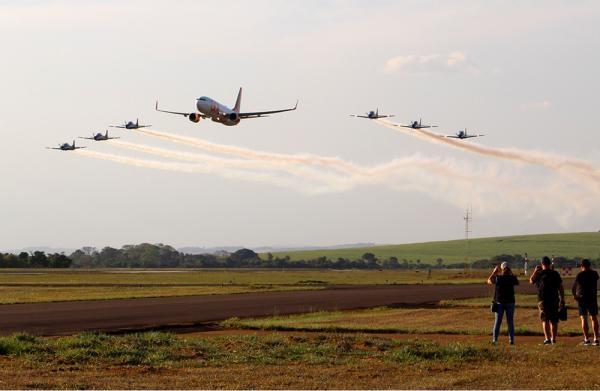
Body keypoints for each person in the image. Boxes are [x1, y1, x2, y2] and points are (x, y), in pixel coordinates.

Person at [530, 256, 565, 344]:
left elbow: (531, 280)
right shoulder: (555, 273)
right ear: (549, 264)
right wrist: (562, 298)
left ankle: (547, 339)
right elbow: (560, 287)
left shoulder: (539, 273)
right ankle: (553, 339)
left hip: (542, 299)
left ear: (542, 264)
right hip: (554, 299)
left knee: (545, 319)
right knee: (554, 320)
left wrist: (535, 271)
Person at [487, 261, 519, 344]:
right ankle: (511, 340)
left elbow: (489, 281)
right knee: (510, 322)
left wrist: (494, 272)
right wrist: (511, 273)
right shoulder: (512, 278)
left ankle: (495, 340)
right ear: (509, 269)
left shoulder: (498, 278)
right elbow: (517, 282)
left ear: (502, 269)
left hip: (499, 302)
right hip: (510, 302)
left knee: (498, 321)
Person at [571, 259, 599, 345]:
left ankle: (586, 339)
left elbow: (573, 287)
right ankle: (596, 339)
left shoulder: (580, 275)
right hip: (592, 298)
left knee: (584, 318)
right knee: (594, 318)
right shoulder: (595, 274)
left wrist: (575, 296)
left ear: (582, 266)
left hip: (582, 298)